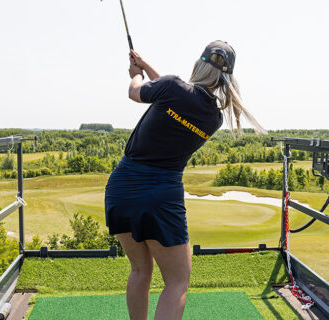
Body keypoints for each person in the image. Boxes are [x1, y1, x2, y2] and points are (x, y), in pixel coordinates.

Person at [105, 40, 266, 320]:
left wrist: (135, 73)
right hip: (161, 195)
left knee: (140, 270)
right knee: (176, 282)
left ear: (198, 64)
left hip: (122, 187)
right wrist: (147, 67)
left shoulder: (172, 87)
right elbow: (177, 94)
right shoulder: (213, 118)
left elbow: (136, 93)